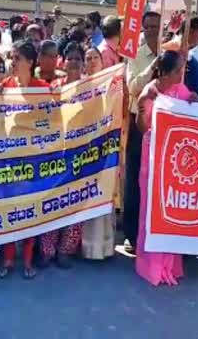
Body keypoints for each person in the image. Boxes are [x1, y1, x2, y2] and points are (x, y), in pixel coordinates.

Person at [135, 50, 197, 286]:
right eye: (179, 71)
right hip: (152, 160)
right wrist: (143, 103)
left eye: (183, 70)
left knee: (169, 212)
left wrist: (193, 101)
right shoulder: (151, 90)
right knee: (151, 211)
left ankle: (169, 265)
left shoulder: (180, 90)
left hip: (173, 162)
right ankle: (150, 265)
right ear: (168, 72)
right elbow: (142, 127)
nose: (183, 74)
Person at [0, 41, 50, 279]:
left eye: (18, 58)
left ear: (30, 62)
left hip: (34, 158)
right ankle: (8, 258)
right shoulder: (5, 86)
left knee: (31, 208)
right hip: (9, 158)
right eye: (12, 57)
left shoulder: (42, 89)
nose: (13, 62)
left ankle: (27, 259)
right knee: (9, 207)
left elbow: (50, 122)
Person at [40, 42, 85, 268]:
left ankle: (66, 250)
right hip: (56, 152)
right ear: (63, 62)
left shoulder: (91, 89)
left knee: (75, 202)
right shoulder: (54, 88)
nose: (74, 62)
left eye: (78, 58)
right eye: (71, 58)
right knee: (53, 200)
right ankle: (47, 250)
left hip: (82, 153)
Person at [123, 11, 161, 249]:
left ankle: (154, 233)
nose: (151, 31)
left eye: (156, 26)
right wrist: (152, 68)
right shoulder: (135, 54)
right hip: (140, 122)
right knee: (135, 179)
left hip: (165, 124)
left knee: (157, 180)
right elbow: (133, 87)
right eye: (147, 27)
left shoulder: (172, 51)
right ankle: (131, 233)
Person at [80, 44, 115, 261]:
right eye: (88, 57)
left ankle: (105, 247)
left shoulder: (111, 84)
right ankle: (86, 247)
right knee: (86, 196)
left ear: (102, 61)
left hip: (105, 145)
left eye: (95, 57)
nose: (92, 60)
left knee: (103, 195)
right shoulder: (79, 85)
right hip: (84, 147)